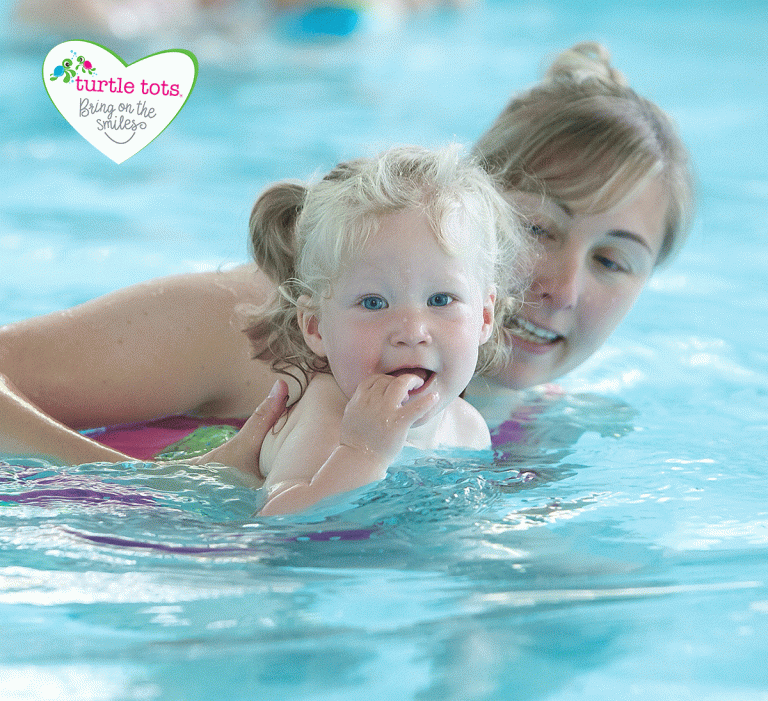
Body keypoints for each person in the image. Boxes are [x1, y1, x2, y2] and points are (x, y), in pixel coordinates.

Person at [0, 41, 694, 471]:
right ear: (473, 215)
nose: (563, 288)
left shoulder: (529, 425)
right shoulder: (250, 325)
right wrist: (153, 491)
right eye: (540, 231)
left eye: (613, 261)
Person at [240, 144, 526, 514]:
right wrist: (363, 454)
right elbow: (275, 522)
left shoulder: (468, 429)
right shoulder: (327, 422)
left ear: (484, 318)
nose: (412, 331)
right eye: (373, 303)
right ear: (315, 327)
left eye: (441, 300)